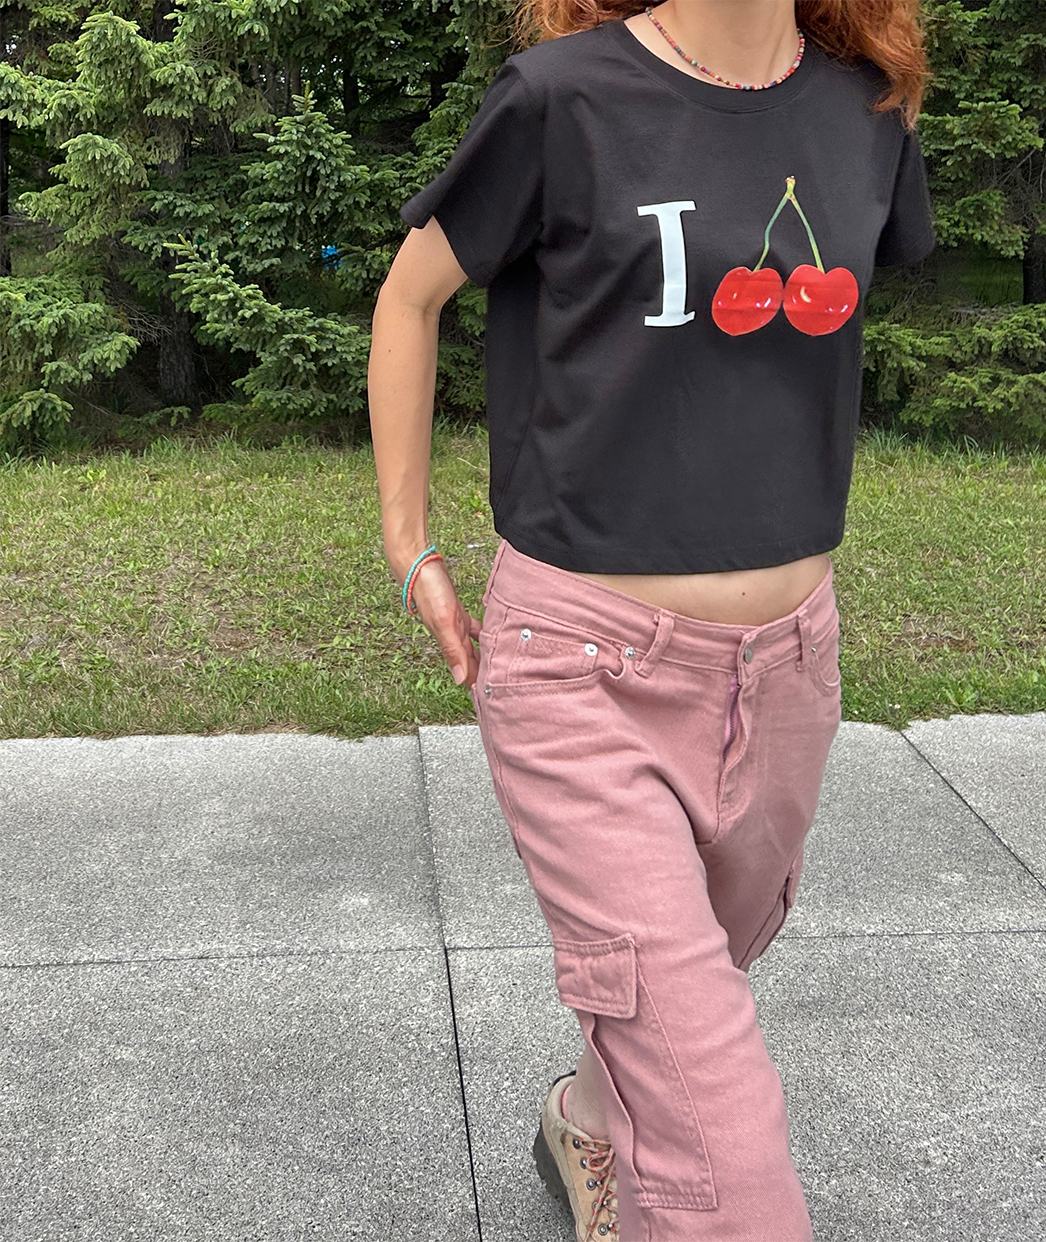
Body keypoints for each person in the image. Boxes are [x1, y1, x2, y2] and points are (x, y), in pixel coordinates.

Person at [368, 1, 934, 1237]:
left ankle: (586, 1118)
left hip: (788, 669)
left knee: (697, 973)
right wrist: (410, 545)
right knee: (724, 1153)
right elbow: (409, 299)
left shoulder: (867, 110)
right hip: (582, 666)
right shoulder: (561, 99)